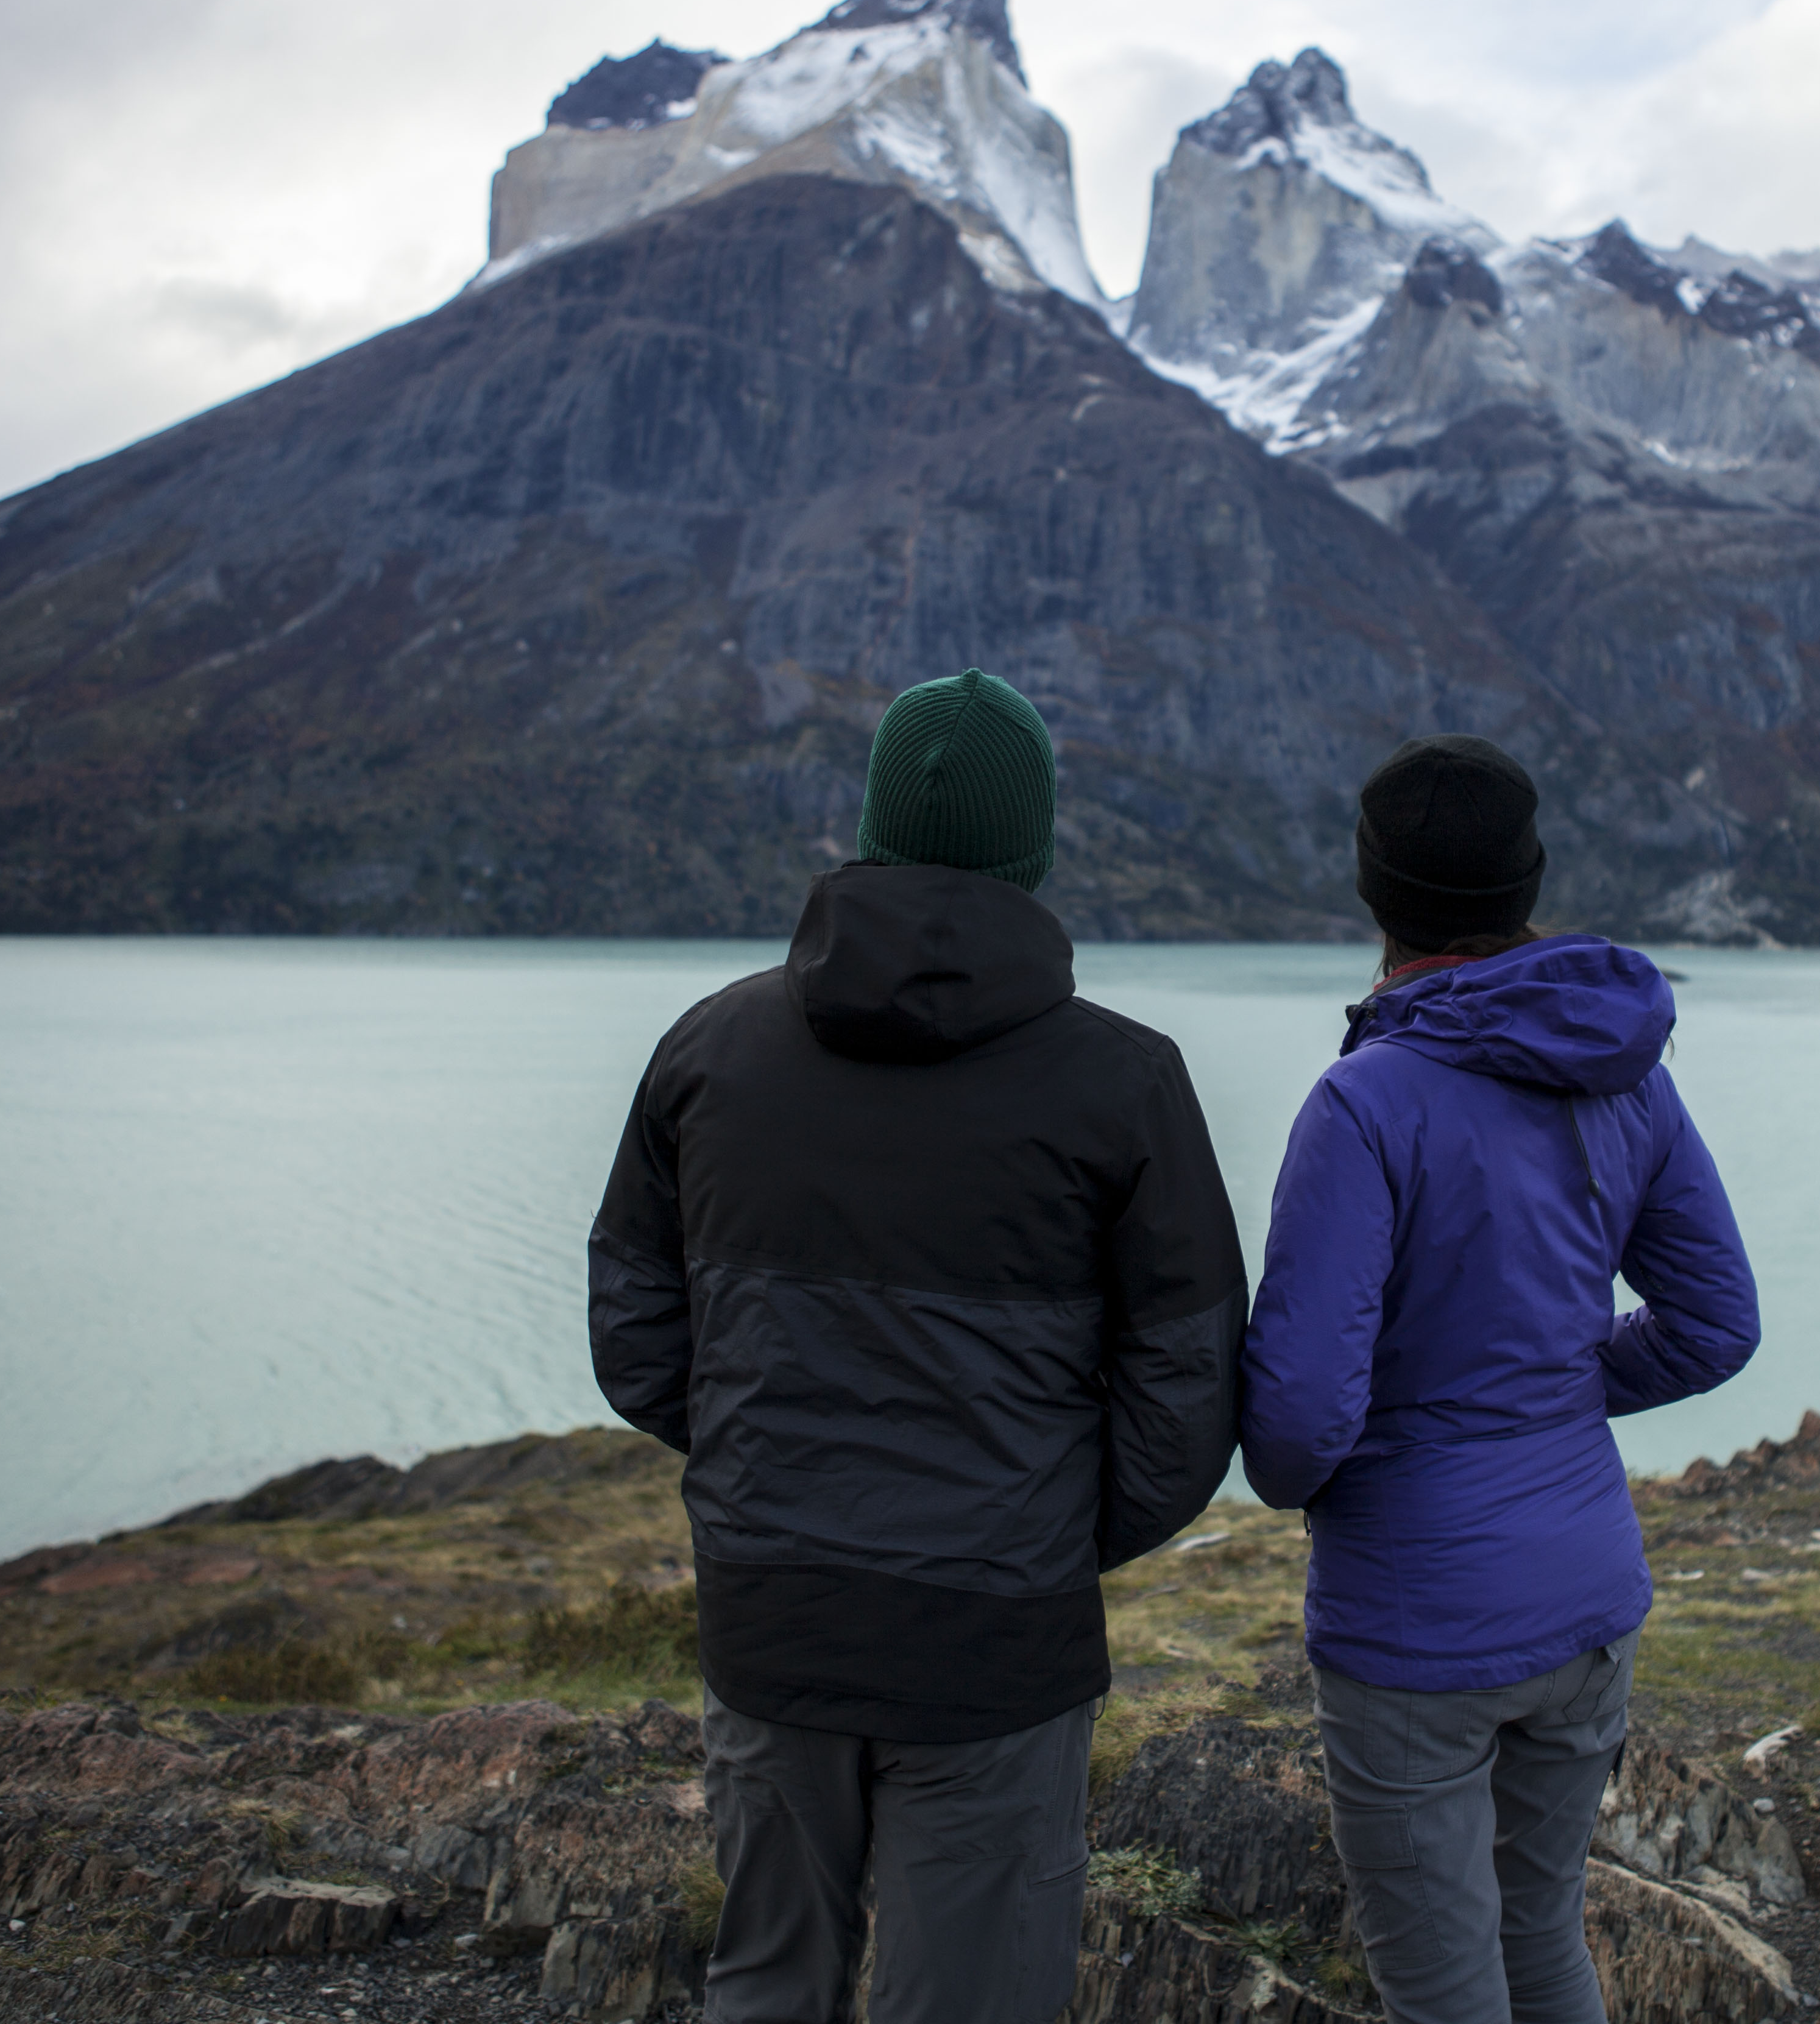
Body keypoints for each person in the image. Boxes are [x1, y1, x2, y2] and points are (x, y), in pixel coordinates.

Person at [587, 668, 1246, 2024]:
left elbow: (635, 1329)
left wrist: (763, 1464)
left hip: (772, 1612)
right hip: (998, 1644)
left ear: (875, 823)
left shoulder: (708, 1051)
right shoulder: (1125, 1082)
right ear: (1036, 848)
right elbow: (1189, 1390)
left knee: (766, 1988)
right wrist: (1045, 1532)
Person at [1241, 732, 1760, 2024]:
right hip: (1589, 1602)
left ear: (1375, 892)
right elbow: (1714, 1326)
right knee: (1543, 1940)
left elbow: (1301, 1428)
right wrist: (1557, 1390)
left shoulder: (1364, 1104)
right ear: (1526, 879)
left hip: (1416, 1627)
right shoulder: (1622, 1069)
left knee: (1441, 1990)